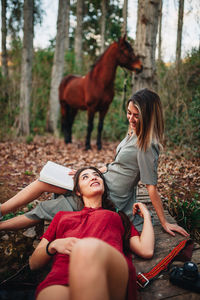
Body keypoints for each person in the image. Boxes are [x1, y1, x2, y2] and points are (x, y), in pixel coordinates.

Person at [0, 88, 189, 237]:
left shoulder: (147, 146)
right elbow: (119, 165)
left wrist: (164, 222)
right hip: (100, 180)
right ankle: (1, 210)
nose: (130, 118)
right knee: (44, 182)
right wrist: (92, 170)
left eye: (136, 115)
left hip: (108, 195)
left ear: (148, 116)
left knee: (42, 210)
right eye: (128, 113)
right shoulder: (134, 132)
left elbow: (151, 187)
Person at [29, 166, 155, 300]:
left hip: (109, 272)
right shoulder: (61, 217)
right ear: (78, 191)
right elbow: (34, 263)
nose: (93, 177)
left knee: (87, 248)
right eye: (85, 177)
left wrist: (146, 215)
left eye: (96, 175)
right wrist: (54, 245)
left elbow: (146, 250)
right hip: (62, 276)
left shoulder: (118, 216)